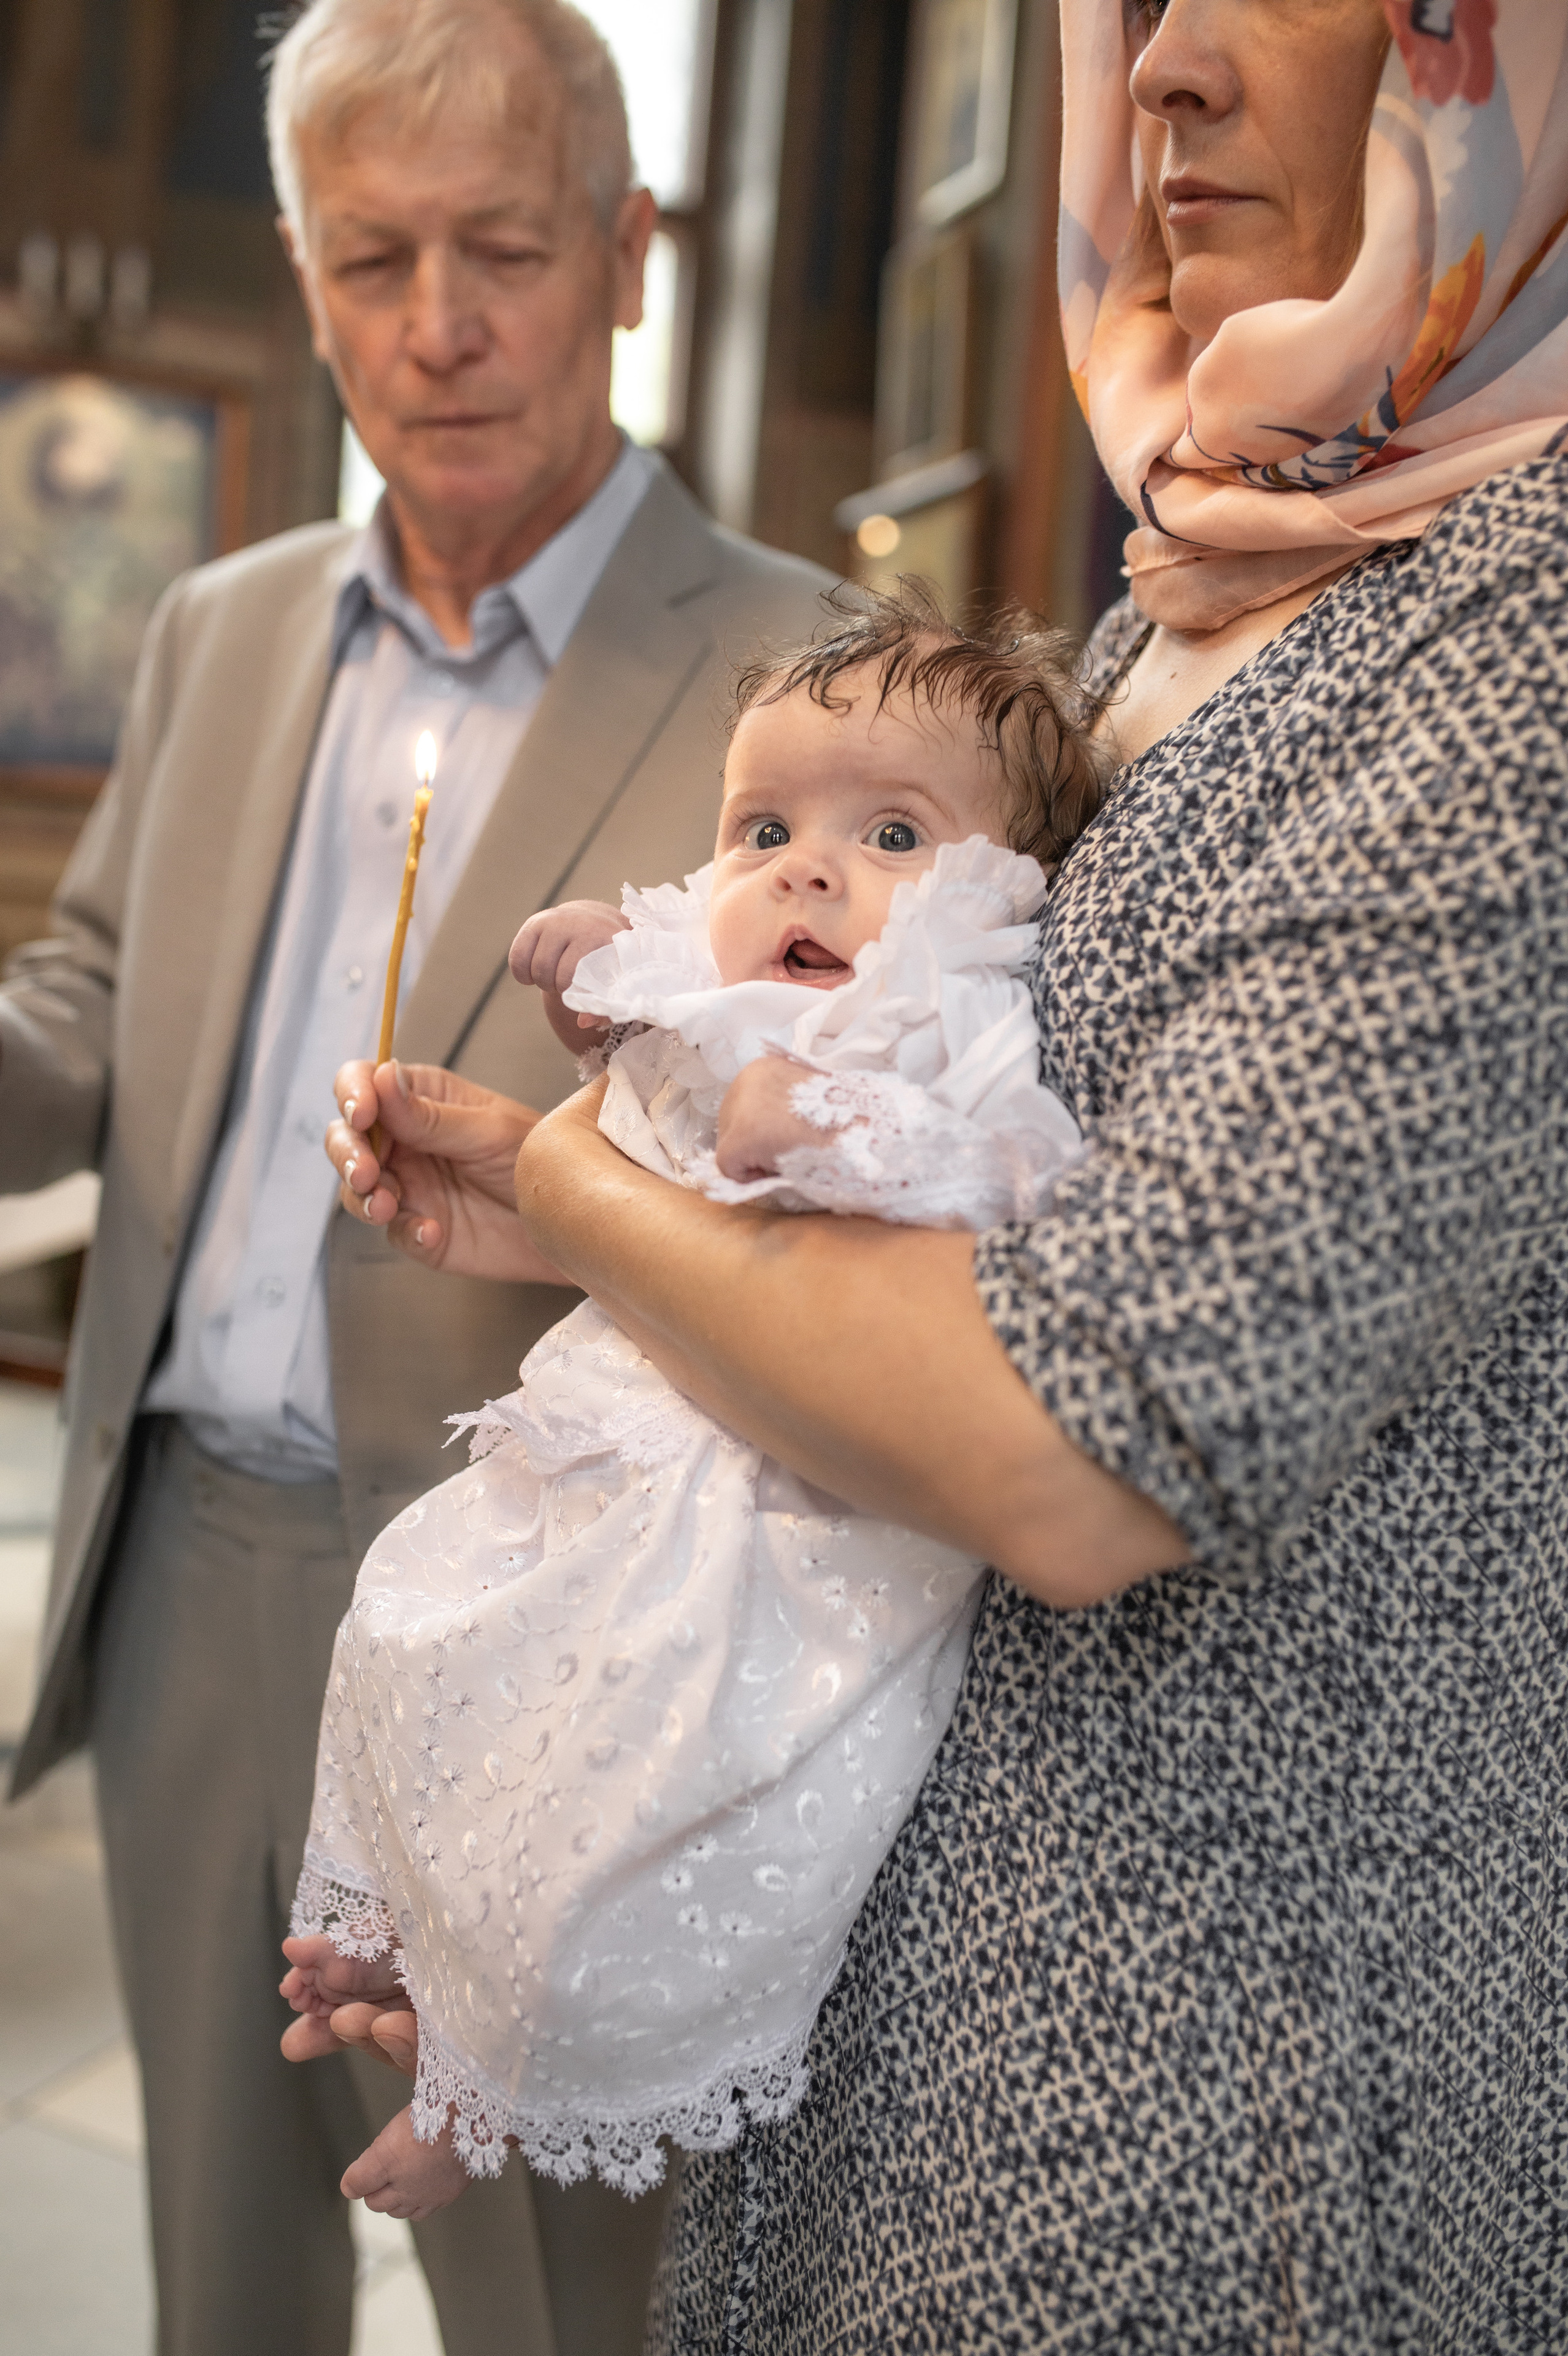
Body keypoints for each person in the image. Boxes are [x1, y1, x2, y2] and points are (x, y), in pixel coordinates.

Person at [313, 0, 1568, 2341]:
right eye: (1133, 10)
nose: (1165, 76)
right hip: (927, 2026)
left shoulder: (1523, 639)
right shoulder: (1211, 569)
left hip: (1204, 2085)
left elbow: (1087, 1438)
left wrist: (593, 1188)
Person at [0, 0, 825, 2349]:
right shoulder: (216, 625)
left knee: (557, 2299)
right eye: (372, 259)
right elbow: (83, 1009)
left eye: (505, 248)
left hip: (557, 1632)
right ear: (299, 268)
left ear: (632, 254)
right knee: (218, 2278)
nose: (438, 328)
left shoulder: (806, 679)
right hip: (187, 1571)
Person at [279, 589, 1098, 2217]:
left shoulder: (957, 1030)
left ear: (1008, 891)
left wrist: (819, 1115)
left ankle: (493, 2078)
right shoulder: (741, 984)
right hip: (618, 1454)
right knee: (414, 1618)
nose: (805, 866)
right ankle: (383, 1910)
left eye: (891, 834)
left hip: (779, 1518)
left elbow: (997, 1184)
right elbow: (638, 1063)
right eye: (767, 824)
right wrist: (597, 970)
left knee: (626, 1791)